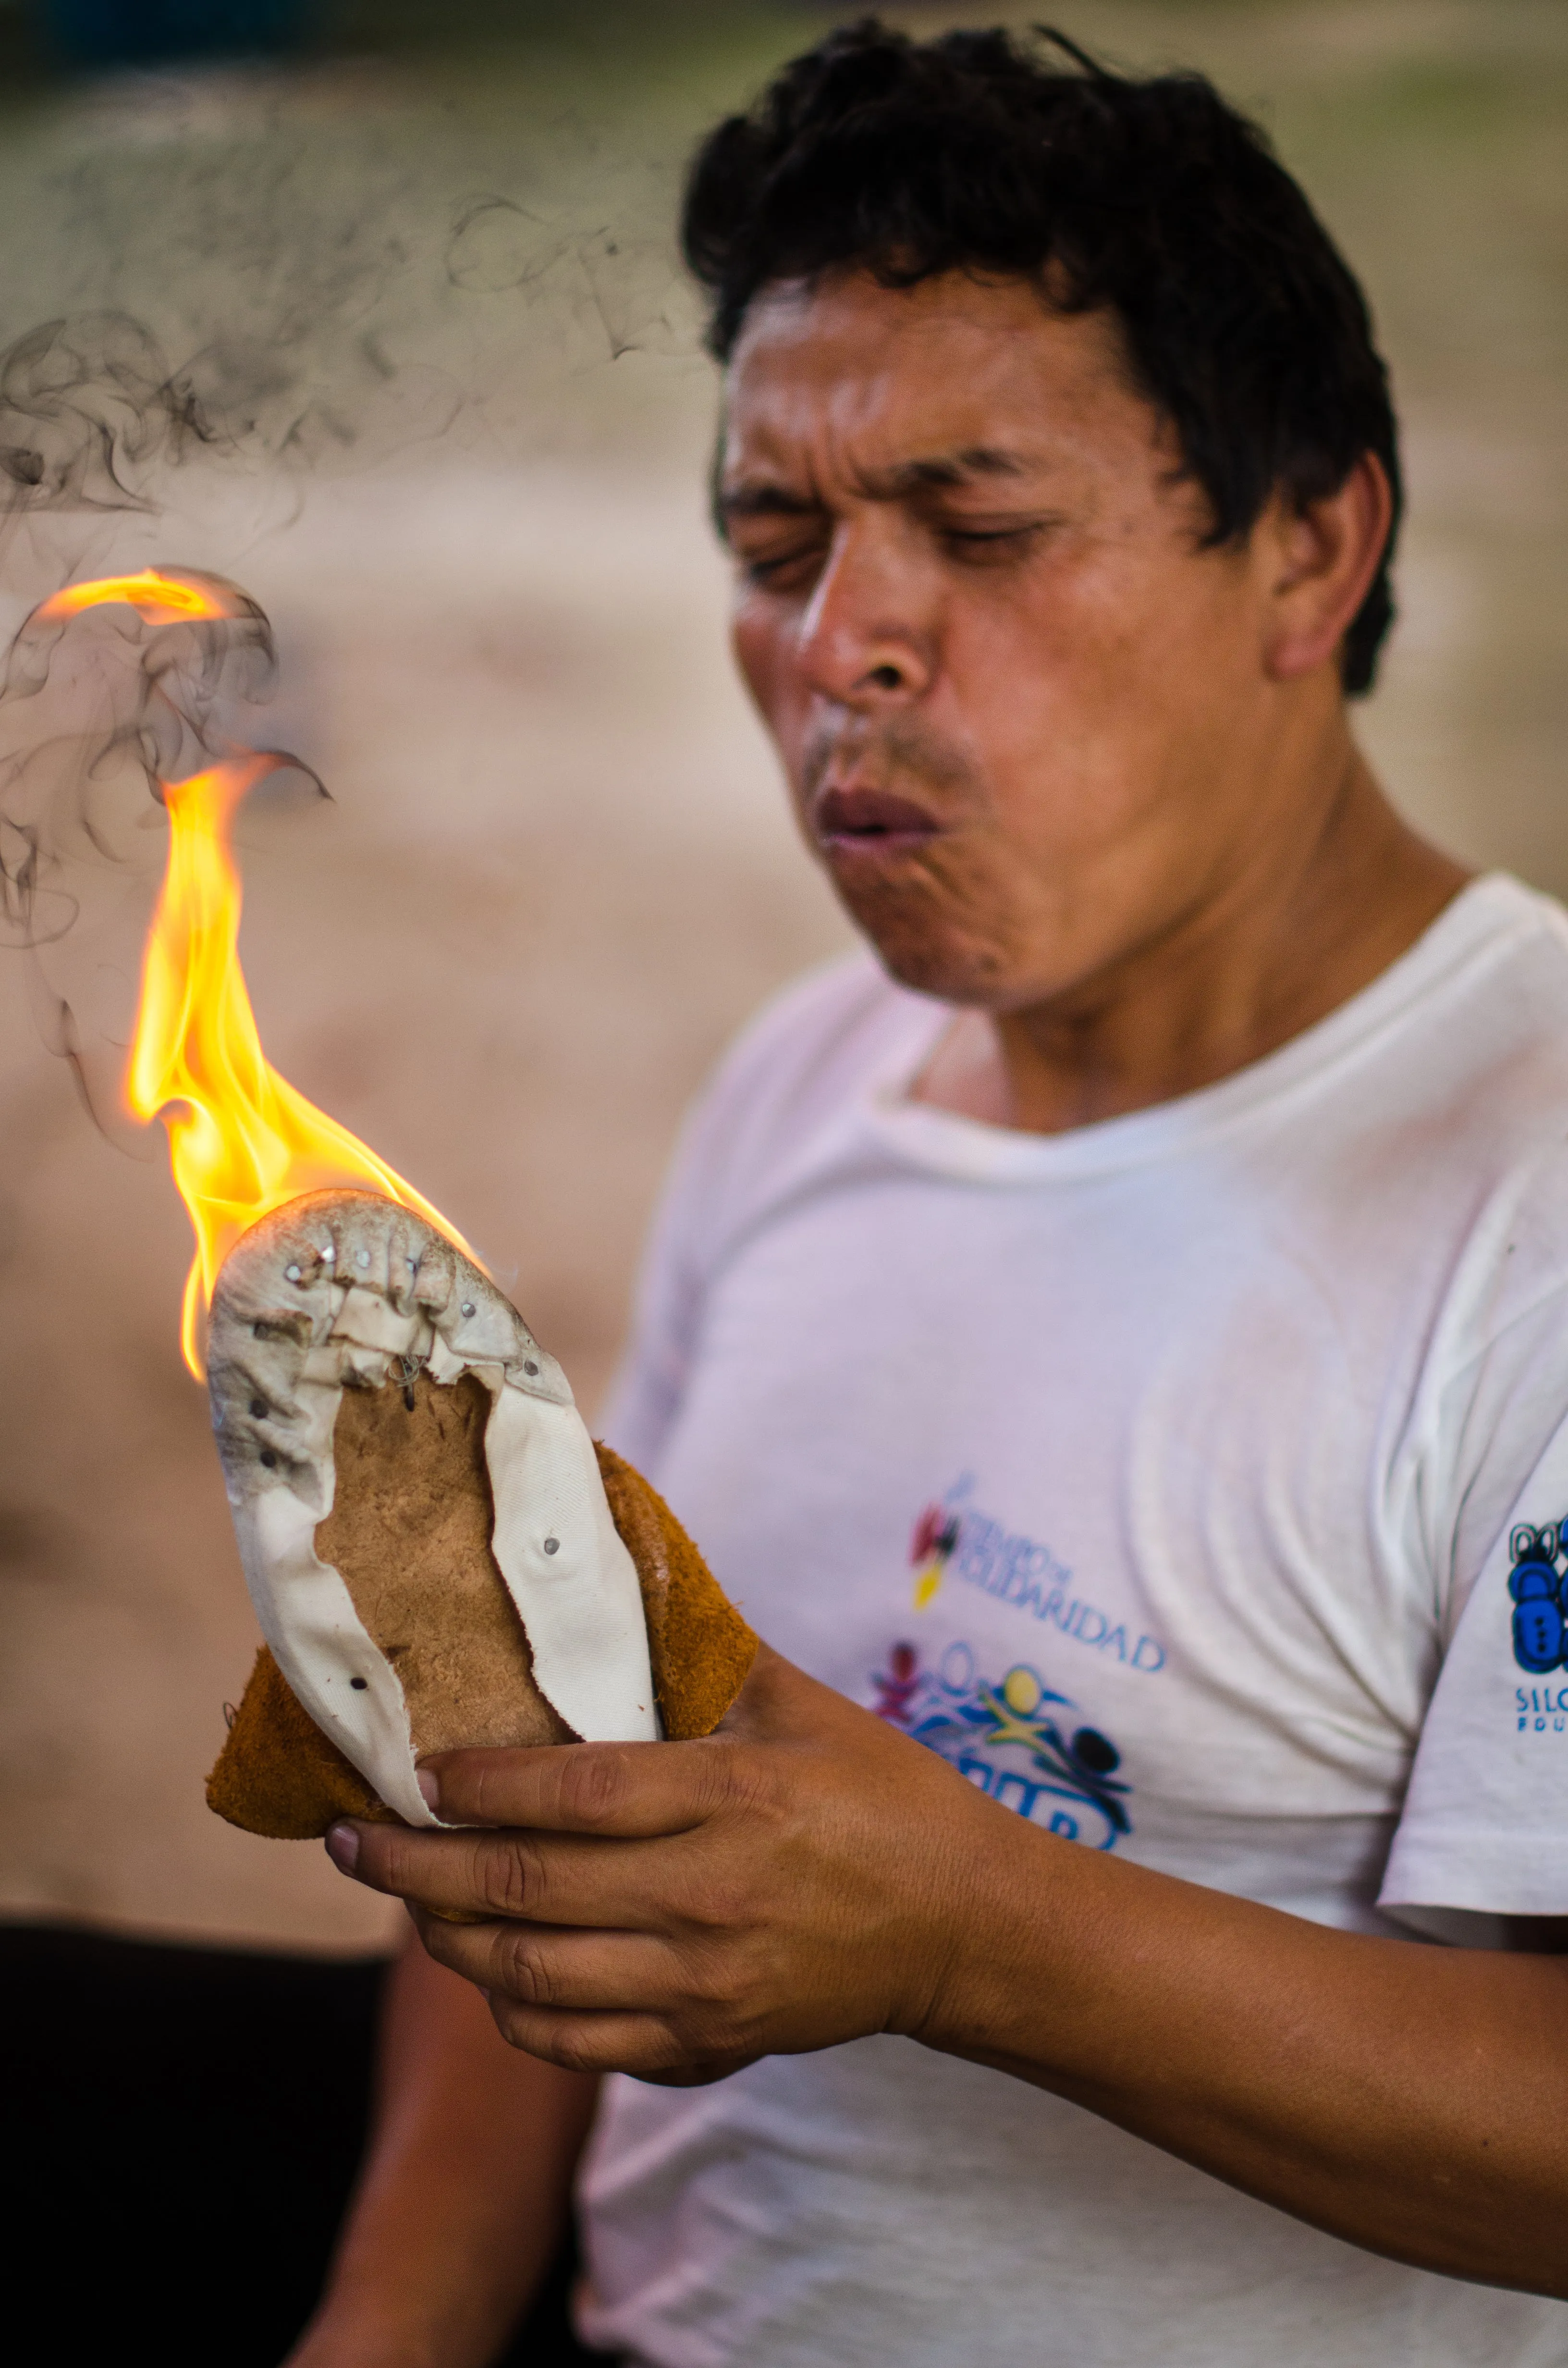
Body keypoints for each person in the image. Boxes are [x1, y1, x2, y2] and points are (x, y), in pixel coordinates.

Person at [290, 24, 1568, 2367]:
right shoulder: (814, 1078)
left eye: (980, 533)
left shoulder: (1534, 1201)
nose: (842, 647)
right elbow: (574, 1806)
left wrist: (973, 1932)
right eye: (777, 546)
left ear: (1313, 544)